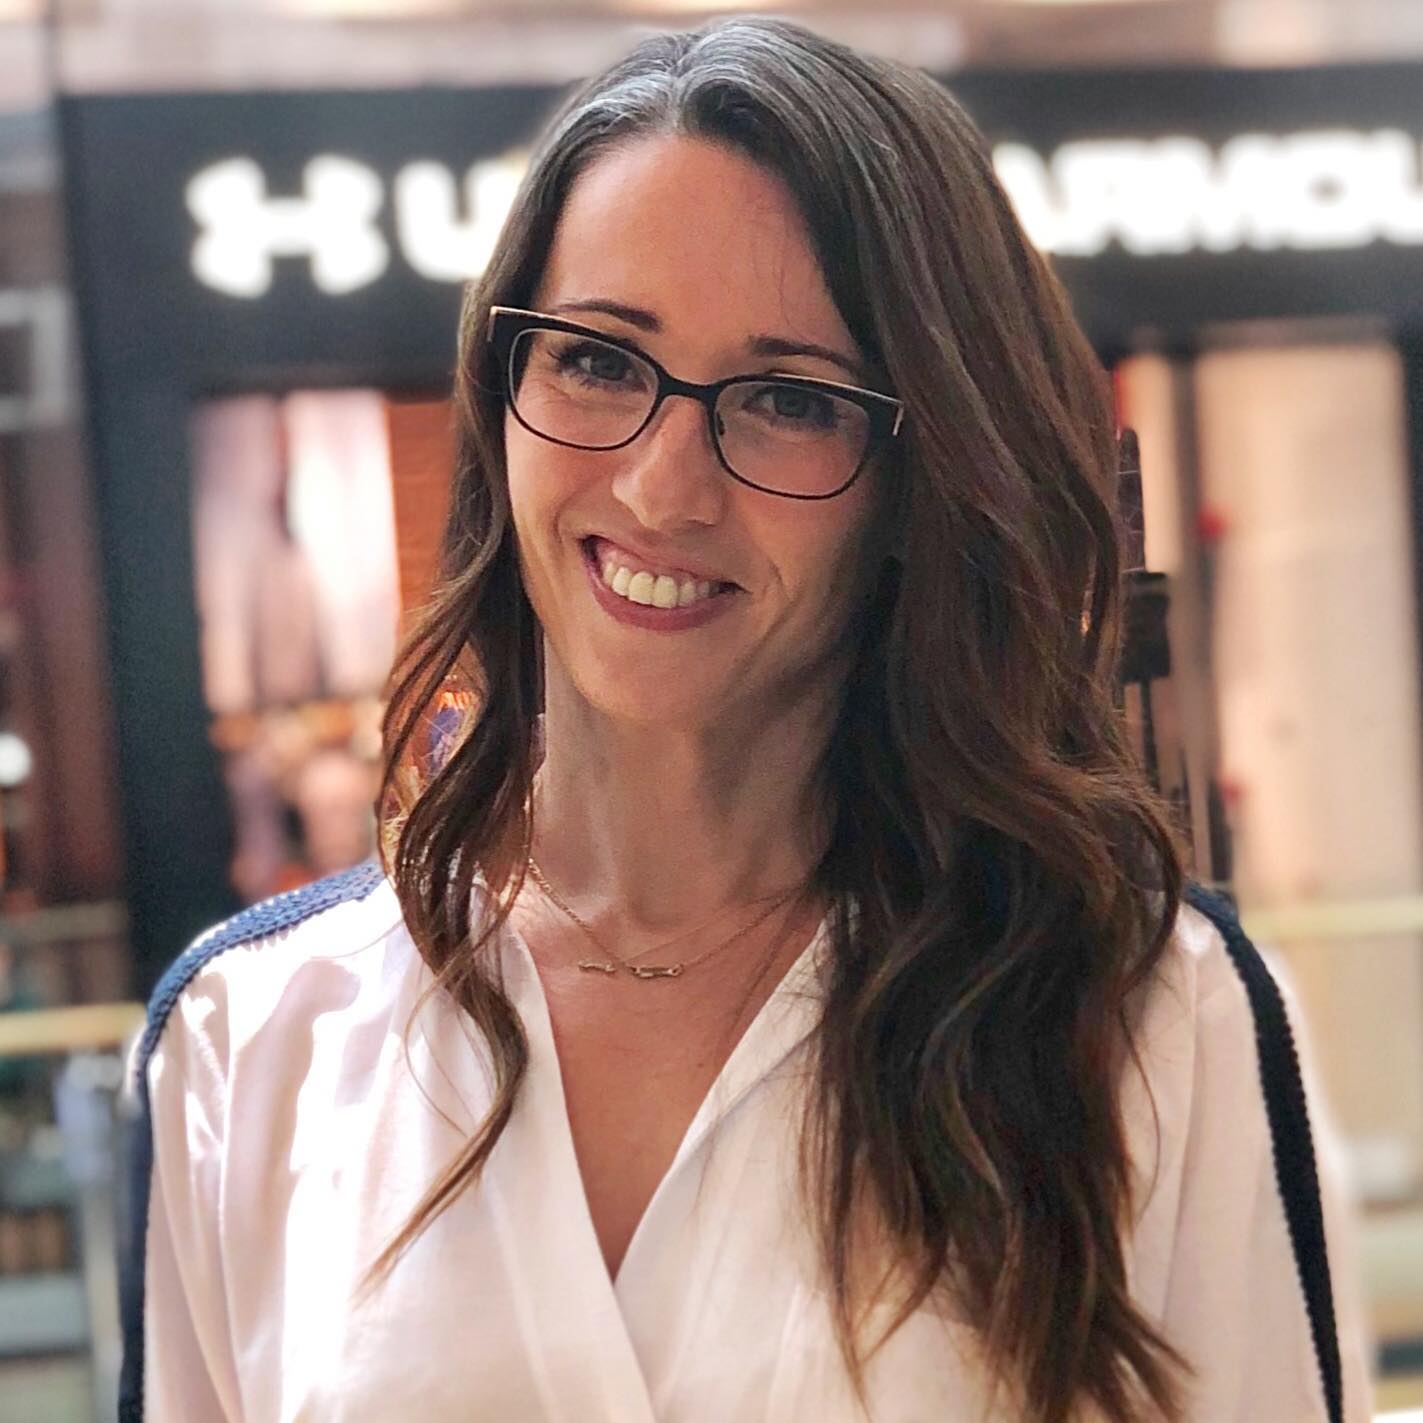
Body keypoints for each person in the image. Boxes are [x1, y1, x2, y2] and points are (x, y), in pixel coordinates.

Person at [118, 17, 1372, 1423]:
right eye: (596, 360)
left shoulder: (1143, 1016)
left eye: (785, 400)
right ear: (502, 395)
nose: (663, 488)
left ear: (920, 477)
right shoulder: (255, 1040)